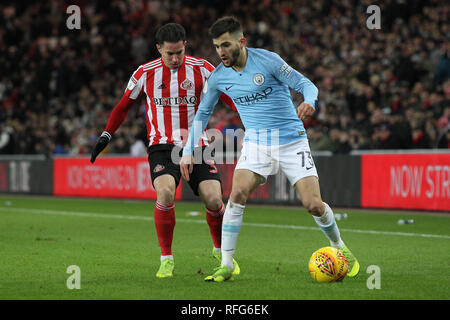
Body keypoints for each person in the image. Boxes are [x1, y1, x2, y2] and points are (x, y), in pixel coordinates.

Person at [180, 16, 359, 282]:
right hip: (256, 143)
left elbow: (306, 84)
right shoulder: (218, 77)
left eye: (226, 45)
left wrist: (309, 101)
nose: (221, 52)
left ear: (242, 41)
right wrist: (187, 150)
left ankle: (340, 247)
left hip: (291, 140)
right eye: (217, 46)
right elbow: (203, 113)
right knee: (237, 193)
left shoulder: (268, 60)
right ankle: (227, 264)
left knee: (312, 204)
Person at [90, 23, 239, 278]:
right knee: (166, 192)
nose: (174, 59)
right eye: (169, 53)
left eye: (179, 53)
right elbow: (124, 106)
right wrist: (107, 134)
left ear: (185, 46)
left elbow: (230, 98)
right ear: (158, 49)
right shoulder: (145, 72)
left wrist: (257, 118)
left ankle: (221, 253)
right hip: (162, 145)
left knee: (214, 200)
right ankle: (166, 259)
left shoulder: (202, 69)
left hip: (197, 144)